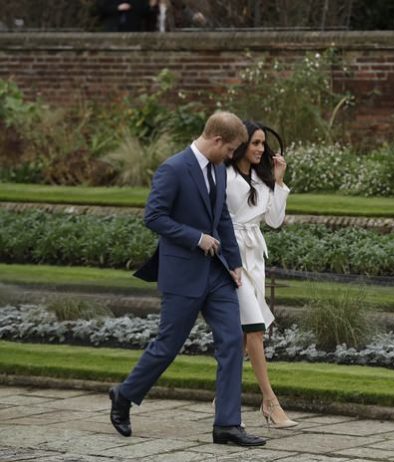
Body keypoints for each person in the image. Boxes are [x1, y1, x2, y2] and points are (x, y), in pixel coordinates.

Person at [109, 111, 266, 447]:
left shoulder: (219, 169)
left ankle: (227, 425)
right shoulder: (173, 169)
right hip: (182, 274)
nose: (231, 157)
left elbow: (222, 217)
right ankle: (124, 395)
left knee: (231, 341)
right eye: (230, 150)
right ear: (217, 140)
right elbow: (154, 217)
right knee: (168, 346)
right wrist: (196, 238)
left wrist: (234, 263)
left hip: (218, 273)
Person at [225, 121, 297, 428]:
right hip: (231, 257)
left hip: (254, 258)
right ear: (242, 144)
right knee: (254, 328)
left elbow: (275, 220)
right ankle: (270, 401)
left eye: (263, 144)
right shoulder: (224, 175)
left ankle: (223, 393)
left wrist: (278, 181)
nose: (260, 148)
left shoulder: (262, 178)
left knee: (245, 333)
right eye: (255, 143)